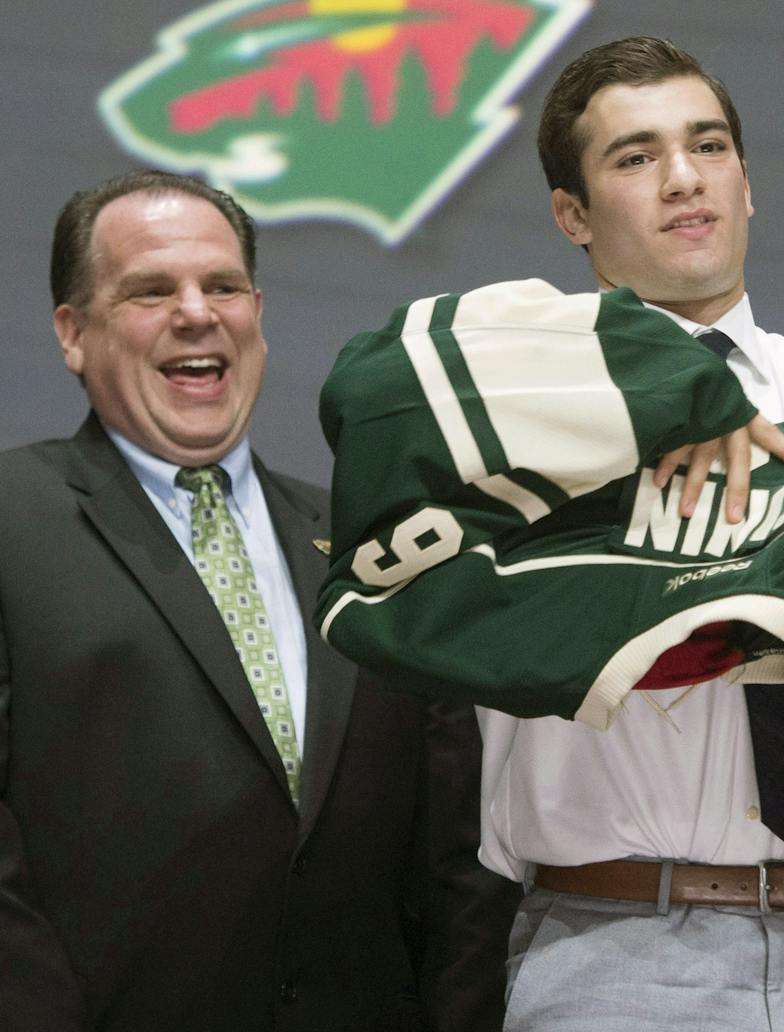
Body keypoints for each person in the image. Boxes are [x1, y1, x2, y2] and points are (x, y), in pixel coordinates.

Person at [473, 36, 784, 1031]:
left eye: (707, 146)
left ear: (748, 185)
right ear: (571, 214)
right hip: (618, 953)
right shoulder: (511, 417)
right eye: (635, 157)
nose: (684, 178)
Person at [0, 170, 520, 1032]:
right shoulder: (14, 516)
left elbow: (457, 857)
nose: (198, 311)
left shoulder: (374, 542)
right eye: (151, 290)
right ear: (73, 332)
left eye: (225, 286)